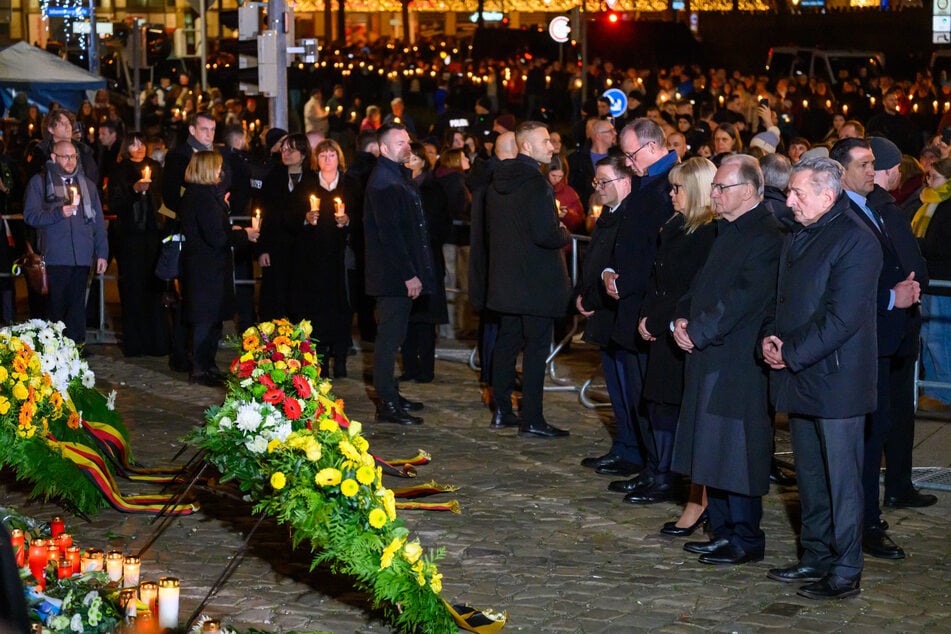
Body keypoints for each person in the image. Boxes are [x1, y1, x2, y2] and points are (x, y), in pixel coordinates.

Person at [764, 156, 881, 600]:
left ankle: (846, 569)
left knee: (841, 481)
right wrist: (770, 339)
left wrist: (788, 352)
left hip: (837, 383)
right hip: (801, 374)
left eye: (797, 194)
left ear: (827, 196)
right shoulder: (803, 232)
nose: (788, 200)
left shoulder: (856, 240)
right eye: (790, 191)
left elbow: (842, 318)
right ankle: (814, 554)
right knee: (810, 475)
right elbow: (785, 299)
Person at [672, 154, 783, 566]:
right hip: (709, 352)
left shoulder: (767, 235)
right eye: (715, 187)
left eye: (722, 187)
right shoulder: (726, 230)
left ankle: (745, 536)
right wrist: (681, 319)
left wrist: (697, 332)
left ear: (750, 191)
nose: (714, 194)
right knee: (710, 445)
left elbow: (743, 299)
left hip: (737, 359)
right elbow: (700, 286)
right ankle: (721, 529)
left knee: (737, 450)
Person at [830, 137, 931, 562]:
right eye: (865, 164)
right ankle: (865, 524)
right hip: (862, 342)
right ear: (841, 171)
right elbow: (844, 286)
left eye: (874, 164)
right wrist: (892, 298)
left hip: (887, 340)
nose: (874, 171)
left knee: (877, 433)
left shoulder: (875, 205)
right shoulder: (841, 212)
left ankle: (869, 518)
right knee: (865, 441)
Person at [600, 118, 679, 497]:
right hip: (630, 298)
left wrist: (626, 280)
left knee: (653, 395)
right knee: (637, 392)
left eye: (630, 154)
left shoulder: (669, 186)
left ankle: (662, 470)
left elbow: (659, 254)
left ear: (650, 147)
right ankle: (651, 465)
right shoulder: (650, 181)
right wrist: (612, 271)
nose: (627, 163)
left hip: (650, 305)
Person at [478, 121, 571, 438]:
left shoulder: (496, 183)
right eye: (545, 141)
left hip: (507, 279)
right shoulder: (537, 184)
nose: (552, 146)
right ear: (527, 147)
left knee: (506, 344)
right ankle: (532, 417)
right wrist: (563, 231)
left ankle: (502, 410)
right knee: (534, 351)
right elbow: (545, 234)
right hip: (536, 283)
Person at [639, 157, 717, 533]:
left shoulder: (708, 234)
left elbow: (693, 289)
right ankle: (675, 480)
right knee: (665, 410)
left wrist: (659, 319)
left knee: (692, 418)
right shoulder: (674, 227)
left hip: (686, 332)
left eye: (678, 188)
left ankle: (698, 499)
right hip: (664, 329)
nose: (671, 194)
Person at [364, 123, 435, 425]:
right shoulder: (384, 182)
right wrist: (409, 274)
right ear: (383, 149)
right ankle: (387, 403)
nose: (407, 146)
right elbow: (390, 235)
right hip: (393, 276)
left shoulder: (397, 177)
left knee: (395, 335)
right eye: (399, 143)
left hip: (399, 273)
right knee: (389, 340)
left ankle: (391, 393)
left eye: (407, 141)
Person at [576, 156, 643, 466]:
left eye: (604, 182)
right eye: (596, 182)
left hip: (618, 317)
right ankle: (624, 445)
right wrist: (584, 294)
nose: (599, 188)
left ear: (625, 182)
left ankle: (634, 450)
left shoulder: (630, 218)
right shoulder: (609, 215)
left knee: (629, 390)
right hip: (604, 316)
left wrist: (593, 298)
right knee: (616, 389)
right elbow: (596, 260)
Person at [179, 151, 258, 386]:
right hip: (205, 268)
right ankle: (201, 368)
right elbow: (216, 236)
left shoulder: (204, 195)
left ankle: (208, 365)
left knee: (213, 319)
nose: (221, 172)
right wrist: (244, 235)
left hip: (208, 267)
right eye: (218, 167)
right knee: (206, 318)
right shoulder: (202, 197)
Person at [23, 140, 108, 345]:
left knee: (78, 308)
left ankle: (77, 349)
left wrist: (102, 252)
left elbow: (97, 222)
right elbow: (31, 216)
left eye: (73, 156)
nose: (70, 161)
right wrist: (58, 213)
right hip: (55, 256)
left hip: (81, 257)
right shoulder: (40, 182)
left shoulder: (87, 184)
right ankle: (55, 351)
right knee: (56, 308)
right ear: (53, 157)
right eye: (65, 156)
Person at [290, 138, 353, 379]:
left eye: (332, 155)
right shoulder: (307, 184)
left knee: (341, 309)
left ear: (339, 159)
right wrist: (306, 218)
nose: (327, 160)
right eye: (323, 156)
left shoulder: (348, 185)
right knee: (316, 310)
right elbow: (292, 215)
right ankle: (321, 360)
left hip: (340, 259)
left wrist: (347, 221)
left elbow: (359, 215)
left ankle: (341, 358)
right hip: (313, 260)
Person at [108, 132, 168, 357]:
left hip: (153, 235)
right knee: (133, 288)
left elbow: (162, 197)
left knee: (155, 289)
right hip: (130, 237)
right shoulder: (119, 171)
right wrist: (134, 191)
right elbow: (114, 203)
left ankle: (158, 341)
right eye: (132, 143)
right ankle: (136, 343)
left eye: (141, 143)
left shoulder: (155, 167)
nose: (138, 147)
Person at [402, 142, 452, 383]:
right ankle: (409, 366)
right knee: (408, 318)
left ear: (423, 162)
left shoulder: (433, 189)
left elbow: (442, 224)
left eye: (413, 159)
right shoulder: (400, 186)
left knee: (425, 319)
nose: (409, 163)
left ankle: (426, 368)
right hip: (408, 260)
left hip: (429, 260)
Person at [914, 157, 951, 410]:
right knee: (928, 336)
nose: (928, 181)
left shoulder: (946, 206)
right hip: (930, 280)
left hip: (943, 281)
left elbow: (942, 245)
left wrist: (915, 243)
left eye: (934, 177)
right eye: (928, 177)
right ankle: (931, 390)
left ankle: (944, 393)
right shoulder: (929, 204)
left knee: (940, 338)